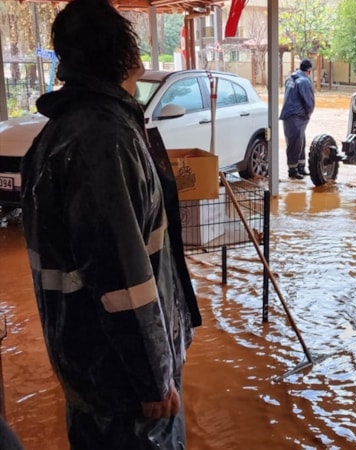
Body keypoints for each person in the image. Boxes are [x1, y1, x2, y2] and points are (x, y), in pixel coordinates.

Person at [20, 0, 202, 447]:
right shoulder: (105, 140)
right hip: (123, 383)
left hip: (89, 364)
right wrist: (153, 377)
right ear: (124, 51)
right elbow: (123, 279)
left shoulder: (60, 132)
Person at [280, 59, 316, 180]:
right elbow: (309, 102)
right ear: (309, 71)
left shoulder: (291, 78)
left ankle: (300, 166)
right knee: (295, 143)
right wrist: (308, 114)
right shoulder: (304, 81)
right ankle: (293, 170)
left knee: (299, 141)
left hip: (289, 115)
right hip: (297, 116)